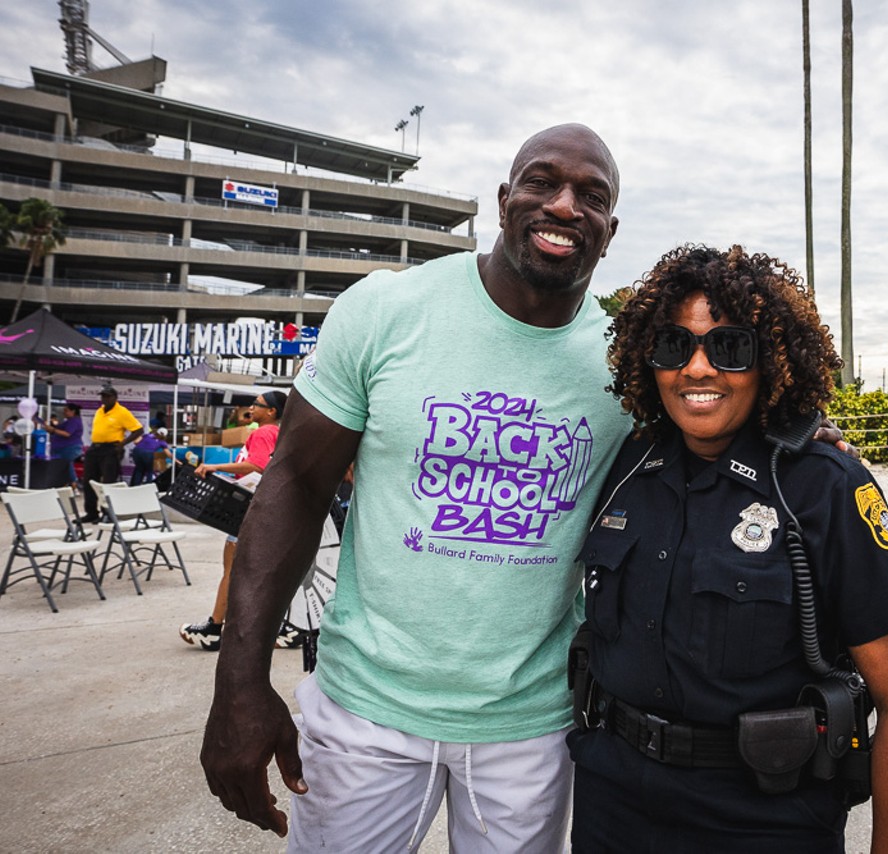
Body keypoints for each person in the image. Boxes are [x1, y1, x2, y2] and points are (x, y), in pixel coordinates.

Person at [199, 124, 633, 851]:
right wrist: (238, 682)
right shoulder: (386, 310)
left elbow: (716, 428)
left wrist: (798, 427)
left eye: (591, 196)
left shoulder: (626, 363)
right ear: (504, 201)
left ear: (609, 231)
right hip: (365, 709)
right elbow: (296, 484)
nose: (564, 205)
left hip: (528, 726)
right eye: (541, 182)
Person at [570, 245, 888, 852]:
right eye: (674, 346)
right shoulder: (627, 465)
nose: (698, 369)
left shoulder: (822, 487)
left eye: (729, 347)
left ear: (771, 361)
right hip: (613, 804)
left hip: (764, 819)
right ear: (647, 360)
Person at [180, 391, 288, 652]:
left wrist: (216, 468)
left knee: (231, 571)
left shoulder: (263, 432)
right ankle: (271, 627)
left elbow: (257, 465)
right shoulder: (276, 433)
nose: (251, 408)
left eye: (257, 405)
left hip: (246, 511)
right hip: (261, 509)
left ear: (271, 411)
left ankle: (214, 628)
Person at [79, 386, 143, 523]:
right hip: (95, 448)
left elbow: (138, 430)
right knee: (88, 481)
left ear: (115, 398)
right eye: (103, 396)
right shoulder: (99, 411)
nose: (105, 399)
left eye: (108, 396)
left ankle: (107, 513)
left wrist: (122, 444)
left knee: (108, 482)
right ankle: (91, 512)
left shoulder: (122, 412)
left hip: (110, 449)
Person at [43, 403, 85, 487]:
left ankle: (73, 483)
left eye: (66, 410)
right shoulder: (69, 421)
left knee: (67, 464)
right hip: (61, 447)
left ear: (73, 411)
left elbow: (67, 434)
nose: (64, 412)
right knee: (63, 465)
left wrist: (53, 430)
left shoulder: (74, 421)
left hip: (69, 448)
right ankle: (66, 483)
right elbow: (59, 428)